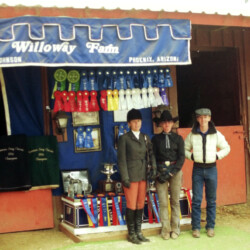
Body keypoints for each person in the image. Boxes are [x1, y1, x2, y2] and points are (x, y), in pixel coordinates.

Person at [185, 108, 230, 238]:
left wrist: (217, 155)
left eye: (205, 117)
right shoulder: (192, 134)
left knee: (211, 200)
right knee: (197, 199)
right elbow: (184, 148)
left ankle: (210, 226)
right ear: (197, 119)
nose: (203, 120)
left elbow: (227, 147)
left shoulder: (216, 134)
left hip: (211, 169)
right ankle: (196, 227)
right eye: (200, 117)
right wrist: (191, 157)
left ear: (210, 118)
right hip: (197, 169)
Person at [117, 108, 156, 244]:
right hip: (131, 176)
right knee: (131, 205)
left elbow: (151, 154)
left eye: (139, 121)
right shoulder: (124, 138)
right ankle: (131, 233)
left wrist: (153, 169)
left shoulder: (145, 137)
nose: (137, 124)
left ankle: (139, 232)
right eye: (134, 121)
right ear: (129, 124)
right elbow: (121, 160)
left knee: (140, 204)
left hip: (143, 175)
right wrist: (125, 177)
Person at [151, 110, 185, 240]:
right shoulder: (155, 139)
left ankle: (175, 228)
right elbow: (153, 156)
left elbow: (181, 157)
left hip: (175, 171)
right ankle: (165, 229)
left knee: (175, 201)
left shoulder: (178, 138)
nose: (166, 125)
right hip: (160, 171)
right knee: (163, 202)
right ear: (160, 124)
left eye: (169, 122)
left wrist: (172, 171)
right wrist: (156, 172)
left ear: (172, 123)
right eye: (164, 122)